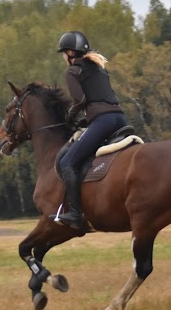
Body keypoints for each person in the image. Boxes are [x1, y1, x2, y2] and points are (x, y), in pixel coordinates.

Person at [55, 30, 128, 229]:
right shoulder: (99, 69)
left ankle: (75, 213)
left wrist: (70, 117)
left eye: (63, 53)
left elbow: (81, 101)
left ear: (70, 53)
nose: (63, 57)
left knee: (68, 162)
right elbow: (102, 98)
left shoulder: (72, 71)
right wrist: (88, 121)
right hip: (120, 119)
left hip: (103, 122)